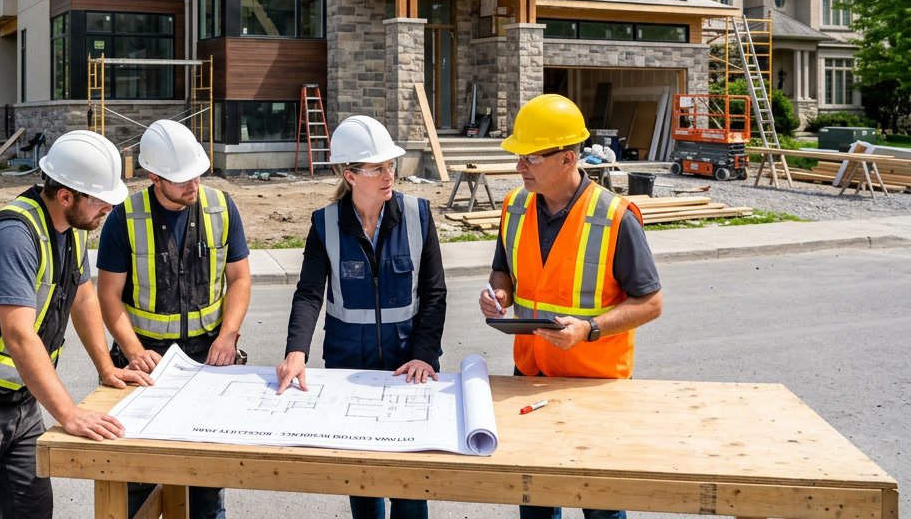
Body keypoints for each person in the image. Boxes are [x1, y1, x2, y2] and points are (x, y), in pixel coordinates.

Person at [0, 130, 152, 519]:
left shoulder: (71, 231)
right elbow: (20, 335)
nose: (107, 209)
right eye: (101, 200)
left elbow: (83, 295)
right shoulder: (14, 237)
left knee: (33, 512)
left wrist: (107, 368)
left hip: (19, 399)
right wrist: (69, 414)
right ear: (65, 196)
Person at [480, 94, 663, 519]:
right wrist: (498, 295)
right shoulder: (515, 206)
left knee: (599, 503)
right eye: (518, 157)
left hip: (594, 384)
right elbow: (502, 270)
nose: (518, 166)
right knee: (535, 500)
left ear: (566, 159)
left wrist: (589, 329)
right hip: (530, 376)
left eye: (530, 158)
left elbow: (651, 302)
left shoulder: (615, 216)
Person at [277, 115, 447, 519]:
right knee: (364, 479)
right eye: (377, 168)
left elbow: (434, 293)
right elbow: (309, 293)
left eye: (391, 165)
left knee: (409, 482)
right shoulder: (325, 224)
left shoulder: (418, 215)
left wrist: (425, 354)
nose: (389, 175)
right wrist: (296, 351)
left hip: (409, 366)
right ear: (349, 175)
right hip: (347, 366)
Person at [97, 119, 251, 519]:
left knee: (206, 480)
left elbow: (239, 278)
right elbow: (108, 296)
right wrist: (132, 351)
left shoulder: (221, 207)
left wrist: (228, 336)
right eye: (181, 179)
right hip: (145, 362)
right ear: (153, 176)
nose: (192, 185)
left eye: (196, 175)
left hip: (208, 356)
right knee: (137, 479)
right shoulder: (124, 217)